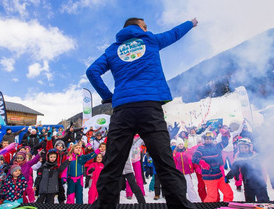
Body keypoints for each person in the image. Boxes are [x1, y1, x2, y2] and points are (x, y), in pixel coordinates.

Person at [86, 17, 198, 209]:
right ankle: (180, 206)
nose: (147, 29)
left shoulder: (113, 50)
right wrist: (191, 23)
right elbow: (175, 33)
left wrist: (108, 97)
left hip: (122, 110)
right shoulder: (150, 40)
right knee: (164, 162)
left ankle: (104, 206)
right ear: (140, 27)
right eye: (145, 26)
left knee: (113, 164)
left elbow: (92, 71)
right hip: (150, 108)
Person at [192, 131, 234, 202]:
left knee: (229, 193)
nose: (208, 140)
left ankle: (225, 206)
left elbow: (224, 143)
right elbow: (194, 158)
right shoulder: (201, 148)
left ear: (213, 139)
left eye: (210, 138)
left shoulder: (216, 147)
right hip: (209, 177)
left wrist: (225, 136)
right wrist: (202, 162)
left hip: (219, 176)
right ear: (204, 139)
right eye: (206, 138)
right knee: (212, 197)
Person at [225, 138, 269, 202]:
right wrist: (227, 177)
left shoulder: (256, 155)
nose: (243, 149)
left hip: (260, 182)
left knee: (264, 201)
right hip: (248, 184)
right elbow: (234, 169)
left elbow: (264, 153)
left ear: (249, 147)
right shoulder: (239, 159)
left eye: (245, 147)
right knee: (249, 202)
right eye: (241, 148)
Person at [173, 138, 201, 203]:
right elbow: (174, 162)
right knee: (179, 186)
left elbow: (193, 149)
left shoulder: (187, 151)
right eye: (179, 144)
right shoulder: (175, 153)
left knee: (189, 186)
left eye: (182, 144)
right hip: (179, 172)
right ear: (177, 145)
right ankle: (180, 200)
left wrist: (199, 145)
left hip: (186, 171)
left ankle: (194, 199)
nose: (181, 145)